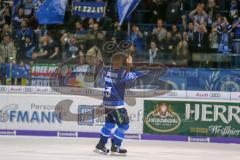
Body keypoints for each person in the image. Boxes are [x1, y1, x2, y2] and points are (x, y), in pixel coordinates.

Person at [94, 53, 142, 156]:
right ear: (122, 63)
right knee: (124, 125)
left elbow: (123, 79)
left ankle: (101, 145)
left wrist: (127, 66)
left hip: (106, 104)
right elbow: (135, 75)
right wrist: (131, 65)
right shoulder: (123, 73)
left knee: (109, 125)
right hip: (117, 105)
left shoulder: (106, 71)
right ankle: (115, 147)